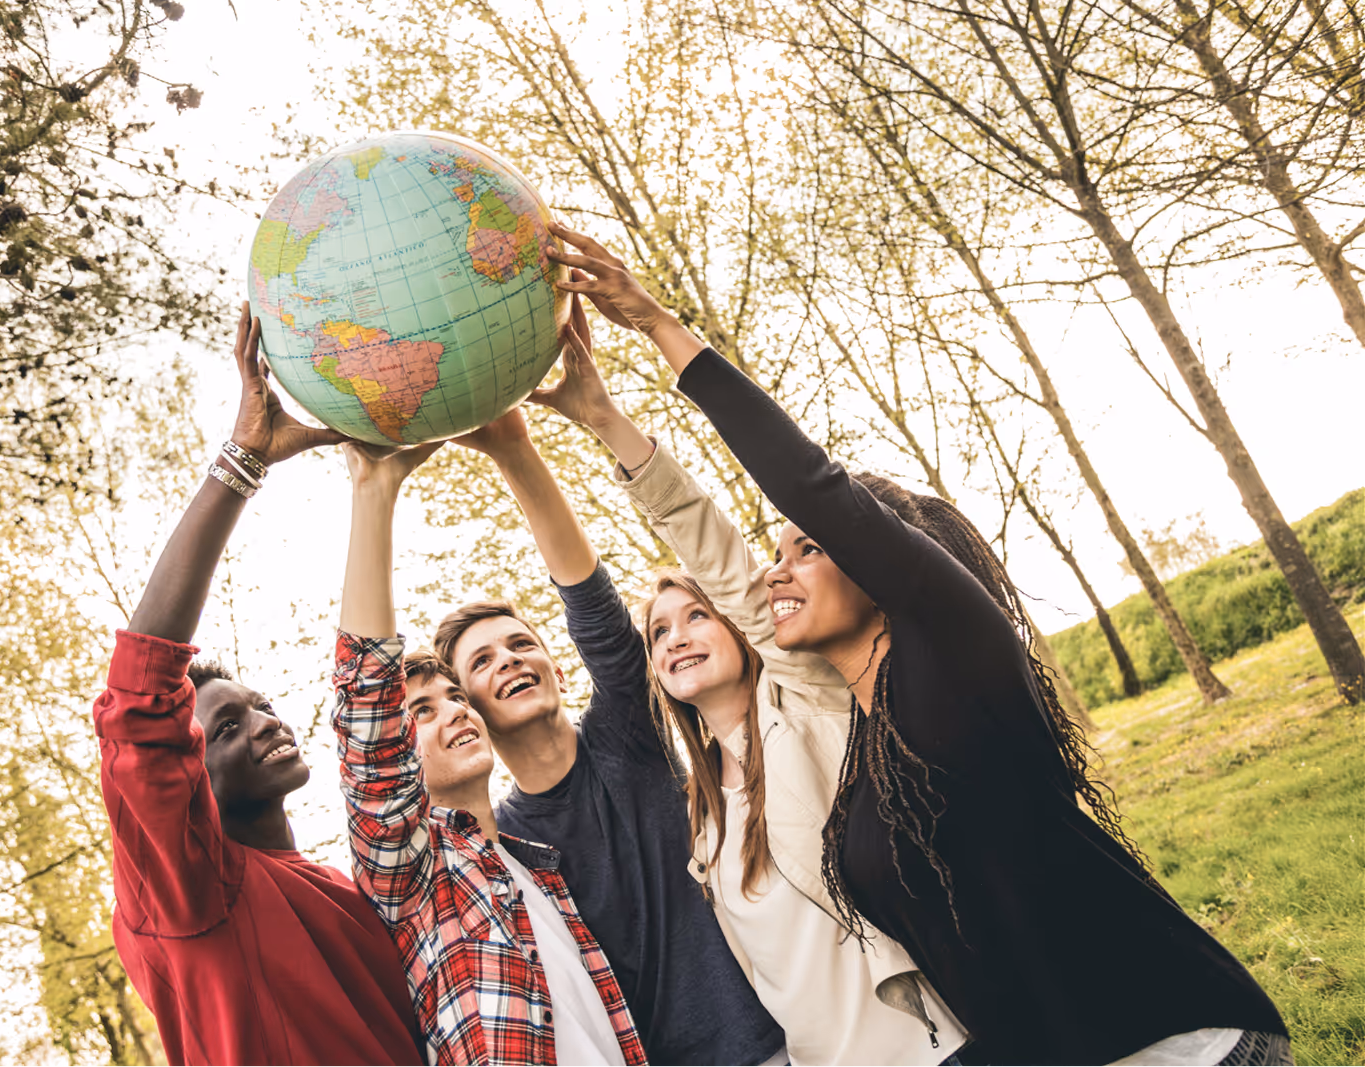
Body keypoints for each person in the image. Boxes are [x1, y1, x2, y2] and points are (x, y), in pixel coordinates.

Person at [542, 223, 1293, 1067]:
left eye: (809, 548)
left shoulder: (958, 662)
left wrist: (656, 322)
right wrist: (602, 420)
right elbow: (719, 560)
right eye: (777, 555)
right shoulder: (860, 740)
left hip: (1183, 1042)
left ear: (875, 563)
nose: (774, 574)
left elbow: (810, 482)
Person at [522, 304, 968, 1067]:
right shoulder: (702, 810)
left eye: (697, 615)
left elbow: (717, 550)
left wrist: (603, 420)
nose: (676, 637)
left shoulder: (807, 705)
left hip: (936, 1050)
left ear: (738, 627)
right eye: (659, 631)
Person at [433, 297, 790, 1067]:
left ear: (556, 665)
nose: (511, 661)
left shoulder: (625, 730)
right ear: (472, 710)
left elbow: (590, 603)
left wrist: (516, 453)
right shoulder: (510, 846)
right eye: (484, 663)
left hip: (794, 1034)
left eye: (521, 643)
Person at [90, 304, 424, 1067]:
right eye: (228, 727)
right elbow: (143, 698)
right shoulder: (187, 895)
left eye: (261, 706)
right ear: (186, 774)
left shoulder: (347, 892)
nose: (265, 722)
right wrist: (243, 461)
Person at [330, 434, 647, 1067]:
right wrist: (374, 491)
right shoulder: (416, 875)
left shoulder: (540, 870)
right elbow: (367, 711)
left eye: (454, 697)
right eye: (420, 711)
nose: (452, 711)